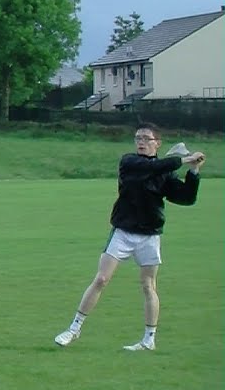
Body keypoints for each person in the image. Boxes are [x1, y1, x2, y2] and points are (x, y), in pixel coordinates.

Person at [54, 123, 204, 351]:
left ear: (157, 143)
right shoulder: (129, 163)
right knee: (102, 279)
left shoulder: (164, 172)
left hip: (150, 236)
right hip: (123, 232)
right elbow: (152, 168)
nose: (141, 142)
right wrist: (184, 159)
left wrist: (194, 170)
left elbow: (186, 198)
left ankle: (148, 340)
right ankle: (74, 329)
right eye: (138, 138)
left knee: (148, 285)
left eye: (146, 138)